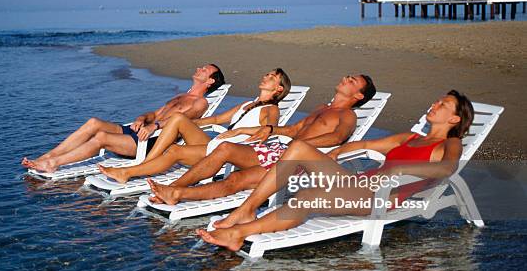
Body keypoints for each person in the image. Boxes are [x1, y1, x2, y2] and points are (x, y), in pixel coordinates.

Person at [197, 90, 474, 252]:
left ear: (454, 119)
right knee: (297, 151)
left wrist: (401, 167)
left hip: (377, 198)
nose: (434, 105)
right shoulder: (410, 138)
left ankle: (240, 230)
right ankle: (246, 211)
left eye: (443, 105)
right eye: (437, 101)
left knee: (305, 199)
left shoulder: (450, 143)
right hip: (358, 185)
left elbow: (447, 168)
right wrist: (336, 152)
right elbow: (364, 143)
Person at [147, 74, 376, 205]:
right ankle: (173, 189)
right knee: (226, 147)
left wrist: (300, 146)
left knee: (236, 180)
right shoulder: (321, 108)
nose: (346, 78)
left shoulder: (347, 115)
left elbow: (338, 137)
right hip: (277, 149)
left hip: (296, 162)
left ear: (358, 96)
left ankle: (177, 193)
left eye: (352, 80)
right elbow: (295, 128)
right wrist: (270, 129)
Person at [97, 69, 291, 183]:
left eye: (271, 77)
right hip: (215, 142)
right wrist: (190, 123)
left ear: (278, 89)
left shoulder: (271, 109)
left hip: (231, 149)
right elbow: (216, 120)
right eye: (267, 74)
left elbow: (268, 131)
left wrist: (240, 131)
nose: (266, 77)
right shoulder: (248, 104)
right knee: (178, 119)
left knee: (173, 151)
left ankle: (130, 172)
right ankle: (144, 166)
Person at [21, 64, 225, 173]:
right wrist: (141, 117)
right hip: (140, 130)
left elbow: (180, 120)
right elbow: (154, 114)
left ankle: (55, 163)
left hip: (150, 141)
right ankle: (48, 156)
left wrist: (154, 125)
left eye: (204, 70)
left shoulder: (200, 103)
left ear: (210, 81)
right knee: (93, 122)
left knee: (101, 136)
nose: (199, 68)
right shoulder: (182, 95)